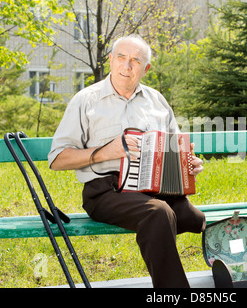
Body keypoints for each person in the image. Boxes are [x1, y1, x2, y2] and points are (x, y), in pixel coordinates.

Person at [48, 34, 206, 288]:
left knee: (195, 218)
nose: (127, 65)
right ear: (110, 60)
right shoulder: (86, 100)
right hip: (105, 191)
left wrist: (188, 165)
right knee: (159, 214)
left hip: (153, 188)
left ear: (146, 68)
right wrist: (105, 152)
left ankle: (239, 274)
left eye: (135, 60)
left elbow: (174, 150)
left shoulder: (157, 101)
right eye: (121, 57)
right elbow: (57, 159)